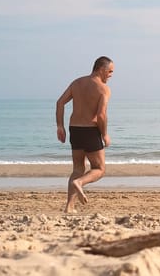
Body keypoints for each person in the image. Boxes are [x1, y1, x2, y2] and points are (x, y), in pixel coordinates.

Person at [55, 56, 114, 213]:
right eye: (110, 71)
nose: (111, 75)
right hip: (90, 130)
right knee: (99, 169)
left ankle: (69, 206)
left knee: (77, 169)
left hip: (75, 129)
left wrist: (60, 126)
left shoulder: (77, 83)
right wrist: (105, 134)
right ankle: (80, 183)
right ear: (101, 69)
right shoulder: (103, 89)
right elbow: (101, 115)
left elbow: (60, 103)